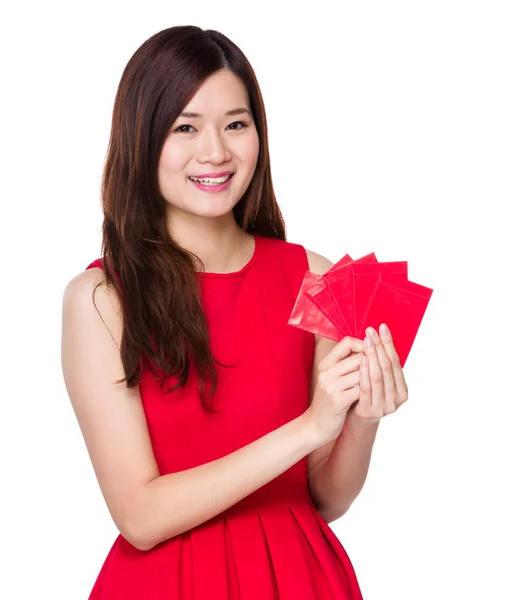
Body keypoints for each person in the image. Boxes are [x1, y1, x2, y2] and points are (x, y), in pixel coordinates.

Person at [61, 25, 408, 599]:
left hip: (300, 579)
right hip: (164, 584)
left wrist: (361, 418)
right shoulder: (100, 299)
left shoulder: (318, 278)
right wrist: (308, 428)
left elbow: (326, 499)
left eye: (236, 124)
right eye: (185, 127)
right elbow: (140, 517)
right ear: (142, 139)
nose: (216, 152)